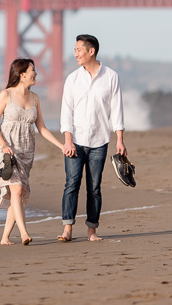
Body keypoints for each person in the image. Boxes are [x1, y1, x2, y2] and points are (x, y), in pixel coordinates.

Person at [57, 34, 126, 243]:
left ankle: (91, 231)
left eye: (79, 49)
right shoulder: (72, 79)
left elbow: (117, 110)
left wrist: (120, 140)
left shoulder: (111, 76)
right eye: (75, 49)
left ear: (91, 51)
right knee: (71, 184)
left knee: (94, 187)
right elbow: (66, 112)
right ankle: (67, 228)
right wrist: (67, 140)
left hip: (100, 141)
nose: (75, 53)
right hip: (75, 141)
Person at [0, 58, 67, 245]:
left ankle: (5, 237)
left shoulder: (35, 98)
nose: (36, 73)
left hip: (26, 149)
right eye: (33, 69)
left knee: (18, 192)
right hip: (7, 149)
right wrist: (3, 146)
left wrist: (62, 146)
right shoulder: (5, 95)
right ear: (22, 73)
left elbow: (42, 128)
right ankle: (24, 234)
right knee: (16, 189)